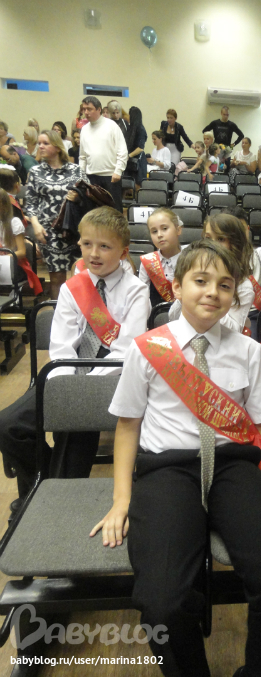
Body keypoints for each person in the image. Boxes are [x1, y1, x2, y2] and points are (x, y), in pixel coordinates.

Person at [90, 238, 261, 677]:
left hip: (233, 467)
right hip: (167, 470)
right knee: (162, 601)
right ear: (176, 286)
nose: (213, 292)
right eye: (201, 281)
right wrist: (120, 500)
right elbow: (128, 426)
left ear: (234, 294)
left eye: (224, 285)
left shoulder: (249, 350)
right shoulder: (147, 348)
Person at [0, 207, 150, 504]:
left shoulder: (135, 290)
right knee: (9, 426)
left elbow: (124, 350)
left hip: (112, 374)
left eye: (104, 246)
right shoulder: (73, 288)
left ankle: (52, 499)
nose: (94, 253)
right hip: (68, 368)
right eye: (87, 244)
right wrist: (64, 386)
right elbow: (62, 346)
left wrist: (81, 389)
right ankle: (40, 486)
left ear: (123, 251)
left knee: (75, 428)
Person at [25, 130, 86, 299]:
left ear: (58, 147)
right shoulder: (35, 172)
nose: (41, 146)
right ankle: (57, 310)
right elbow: (31, 204)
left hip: (74, 229)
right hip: (49, 231)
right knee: (56, 277)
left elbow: (89, 196)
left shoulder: (76, 170)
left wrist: (78, 196)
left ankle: (78, 310)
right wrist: (36, 225)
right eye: (39, 143)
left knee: (78, 275)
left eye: (45, 143)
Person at [170, 214, 255, 333]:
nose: (212, 244)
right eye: (208, 238)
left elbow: (234, 329)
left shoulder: (243, 286)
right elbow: (172, 317)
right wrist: (187, 298)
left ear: (236, 244)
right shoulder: (195, 272)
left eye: (220, 239)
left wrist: (211, 306)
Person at [79, 95, 128, 213]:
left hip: (111, 176)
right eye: (84, 109)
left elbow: (122, 150)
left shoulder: (112, 126)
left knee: (114, 212)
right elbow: (82, 156)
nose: (86, 112)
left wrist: (118, 171)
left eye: (89, 109)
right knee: (93, 212)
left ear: (99, 109)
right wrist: (81, 175)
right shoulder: (84, 129)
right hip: (91, 177)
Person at [0, 180, 42, 296]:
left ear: (3, 205)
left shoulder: (13, 222)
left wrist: (3, 258)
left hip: (12, 265)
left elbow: (22, 252)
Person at [139, 207, 184, 305]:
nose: (159, 235)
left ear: (178, 230)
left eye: (164, 229)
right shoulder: (147, 262)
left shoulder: (190, 257)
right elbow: (142, 298)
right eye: (154, 231)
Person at [125, 106, 148, 190]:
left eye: (129, 114)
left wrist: (129, 155)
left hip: (138, 161)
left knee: (137, 186)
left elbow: (140, 148)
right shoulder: (130, 128)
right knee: (127, 185)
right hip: (130, 161)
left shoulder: (141, 129)